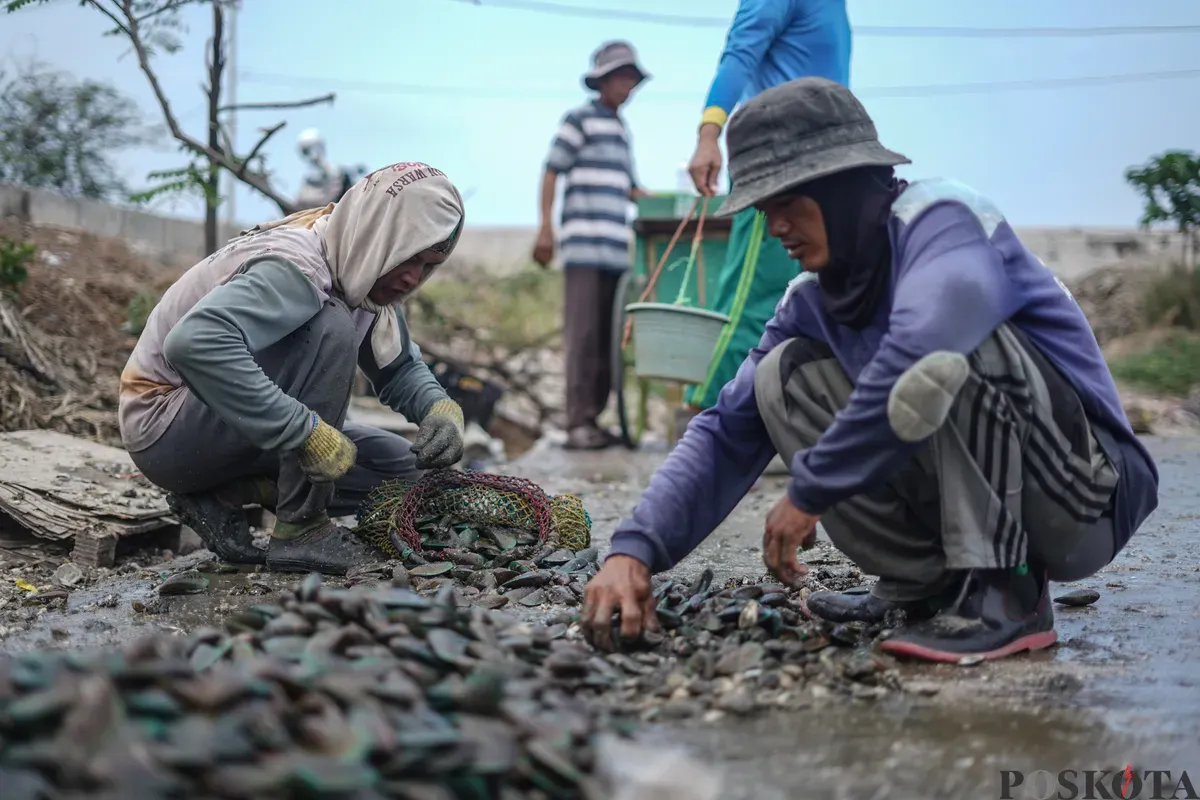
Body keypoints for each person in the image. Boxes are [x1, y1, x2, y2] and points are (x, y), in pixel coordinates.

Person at [581, 78, 1160, 663]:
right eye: (764, 208)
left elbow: (925, 352)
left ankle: (1004, 592)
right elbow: (725, 431)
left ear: (843, 186)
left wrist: (812, 487)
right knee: (781, 375)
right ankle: (929, 587)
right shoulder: (810, 298)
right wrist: (632, 551)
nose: (773, 224)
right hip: (1017, 483)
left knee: (955, 348)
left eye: (787, 201)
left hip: (1088, 494)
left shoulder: (945, 223)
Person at [118, 162, 468, 575]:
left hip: (234, 432)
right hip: (165, 429)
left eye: (428, 265)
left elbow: (399, 369)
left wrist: (440, 409)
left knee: (405, 471)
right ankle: (300, 529)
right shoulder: (297, 264)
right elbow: (194, 343)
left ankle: (229, 495)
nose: (413, 277)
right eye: (409, 256)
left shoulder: (361, 272)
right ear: (381, 234)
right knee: (331, 327)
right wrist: (304, 432)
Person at [684, 0, 852, 417]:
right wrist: (709, 134)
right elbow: (740, 52)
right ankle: (710, 418)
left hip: (829, 166)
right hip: (778, 164)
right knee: (754, 298)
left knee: (815, 301)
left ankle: (789, 421)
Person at [533, 40, 652, 450]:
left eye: (631, 78)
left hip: (616, 251)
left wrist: (659, 203)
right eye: (620, 76)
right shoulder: (579, 120)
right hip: (584, 247)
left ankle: (595, 420)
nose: (627, 85)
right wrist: (545, 229)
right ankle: (577, 421)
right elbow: (551, 172)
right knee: (583, 336)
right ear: (602, 81)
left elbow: (631, 187)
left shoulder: (621, 130)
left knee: (607, 339)